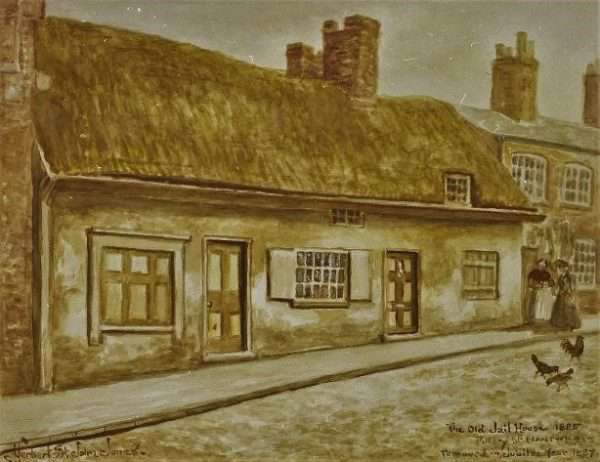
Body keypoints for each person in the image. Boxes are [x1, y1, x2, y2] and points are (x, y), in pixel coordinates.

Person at [550, 260, 581, 330]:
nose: (559, 270)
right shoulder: (560, 277)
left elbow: (570, 287)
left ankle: (571, 324)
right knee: (560, 309)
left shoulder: (569, 277)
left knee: (568, 309)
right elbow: (557, 285)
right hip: (560, 295)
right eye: (559, 268)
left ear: (565, 268)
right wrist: (554, 290)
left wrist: (567, 292)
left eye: (561, 268)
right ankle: (561, 323)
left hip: (567, 295)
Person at [527, 259, 555, 323]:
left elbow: (552, 283)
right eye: (540, 265)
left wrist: (547, 284)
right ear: (538, 264)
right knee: (535, 303)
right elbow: (530, 283)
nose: (542, 266)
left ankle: (544, 316)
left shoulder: (547, 273)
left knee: (547, 300)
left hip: (544, 291)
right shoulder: (533, 272)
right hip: (535, 291)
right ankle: (532, 318)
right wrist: (536, 285)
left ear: (545, 266)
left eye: (543, 265)